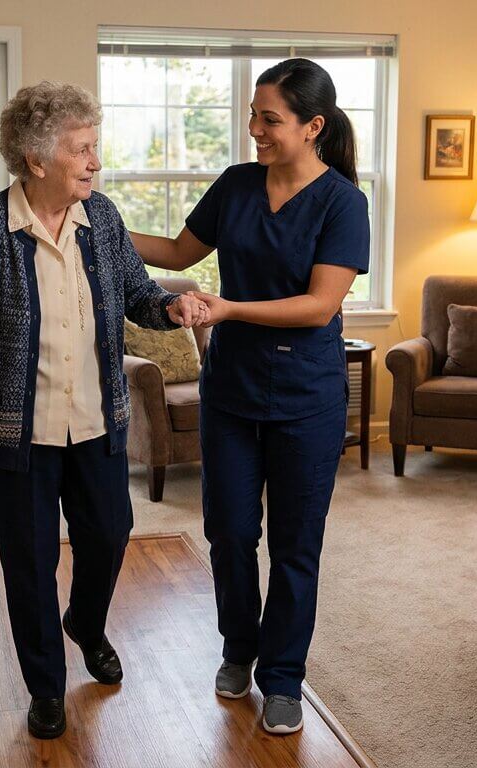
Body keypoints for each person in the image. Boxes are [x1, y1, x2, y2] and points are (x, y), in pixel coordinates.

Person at [0, 81, 208, 740]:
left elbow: (137, 294)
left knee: (109, 534)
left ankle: (85, 625)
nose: (94, 162)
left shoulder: (104, 219)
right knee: (28, 563)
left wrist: (169, 309)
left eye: (95, 147)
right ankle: (45, 686)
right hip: (17, 437)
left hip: (96, 425)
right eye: (81, 150)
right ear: (37, 161)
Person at [128, 58, 369, 735]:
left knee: (296, 544)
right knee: (230, 533)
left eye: (270, 119)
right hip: (230, 394)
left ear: (312, 126)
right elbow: (177, 253)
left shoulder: (344, 203)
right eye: (253, 116)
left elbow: (321, 307)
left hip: (308, 397)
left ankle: (284, 677)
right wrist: (99, 218)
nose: (255, 130)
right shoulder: (236, 185)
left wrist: (228, 309)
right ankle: (239, 648)